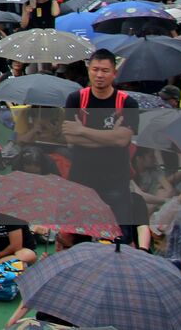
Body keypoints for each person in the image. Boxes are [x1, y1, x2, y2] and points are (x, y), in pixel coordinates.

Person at [62, 48, 139, 235]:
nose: (99, 75)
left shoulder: (127, 103)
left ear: (114, 73)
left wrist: (82, 131)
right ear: (88, 70)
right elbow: (70, 139)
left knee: (119, 235)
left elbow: (123, 140)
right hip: (81, 177)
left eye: (105, 70)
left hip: (115, 180)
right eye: (95, 69)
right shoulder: (76, 99)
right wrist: (109, 138)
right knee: (78, 234)